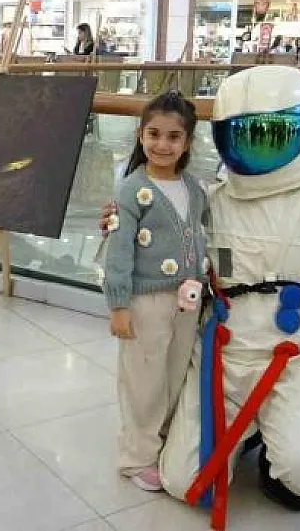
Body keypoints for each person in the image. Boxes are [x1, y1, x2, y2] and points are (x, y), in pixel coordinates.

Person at [102, 66, 300, 511]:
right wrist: (120, 223)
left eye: (270, 135)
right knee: (183, 480)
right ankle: (255, 429)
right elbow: (167, 235)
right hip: (226, 353)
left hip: (296, 357)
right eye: (243, 136)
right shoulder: (213, 196)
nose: (255, 149)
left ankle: (279, 435)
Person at [103, 91, 209, 493]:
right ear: (140, 135)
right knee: (143, 378)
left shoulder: (195, 189)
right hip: (145, 302)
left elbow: (207, 235)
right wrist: (119, 305)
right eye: (154, 134)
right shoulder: (132, 189)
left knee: (174, 373)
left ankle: (161, 443)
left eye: (173, 137)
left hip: (187, 303)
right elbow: (119, 249)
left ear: (187, 142)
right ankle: (137, 457)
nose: (162, 145)